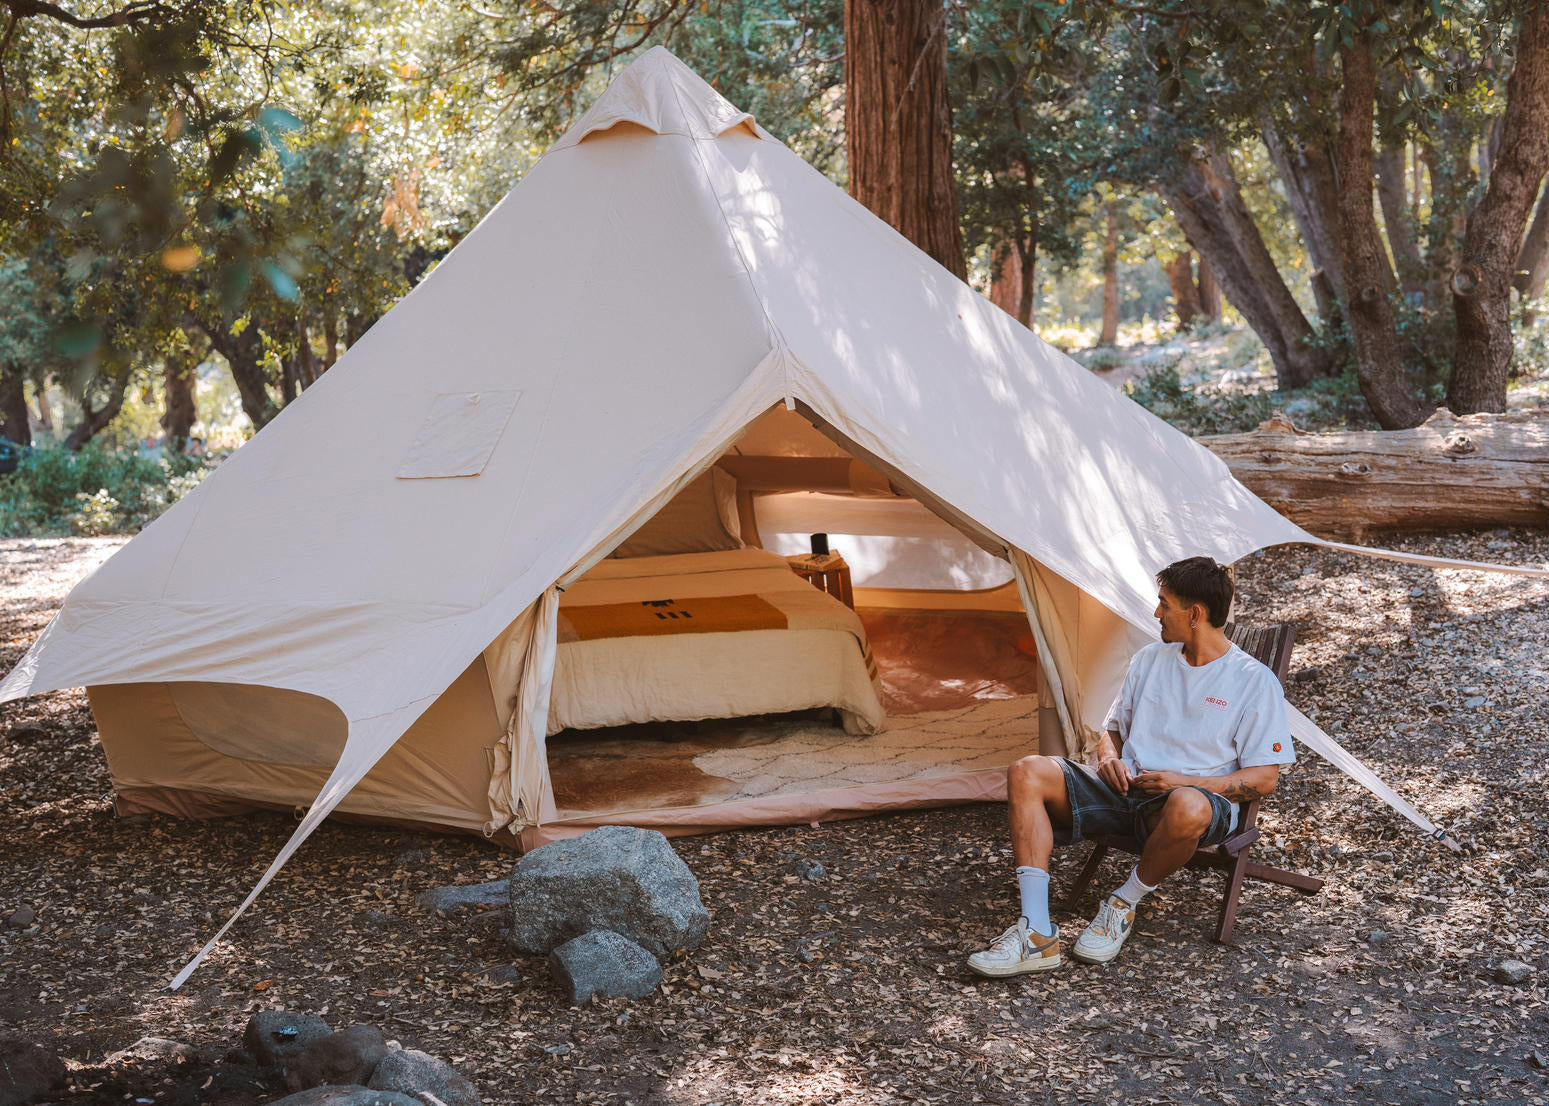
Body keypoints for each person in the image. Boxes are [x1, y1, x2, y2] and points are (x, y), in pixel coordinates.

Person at [967, 556, 1294, 976]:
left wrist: (1185, 782)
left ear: (1195, 614)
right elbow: (1112, 730)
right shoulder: (1150, 660)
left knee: (1189, 805)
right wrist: (1108, 759)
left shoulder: (1253, 681)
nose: (1156, 613)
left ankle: (1123, 902)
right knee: (1027, 770)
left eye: (1164, 605)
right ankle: (1036, 932)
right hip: (1124, 790)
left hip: (1185, 805)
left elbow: (1265, 779)